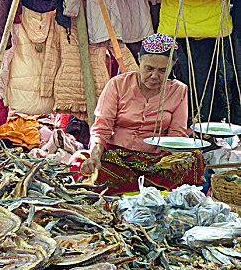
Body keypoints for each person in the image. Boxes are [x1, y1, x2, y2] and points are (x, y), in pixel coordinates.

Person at [70, 33, 205, 195]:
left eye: (162, 70)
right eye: (149, 68)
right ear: (139, 60)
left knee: (195, 160)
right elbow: (101, 128)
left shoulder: (179, 90)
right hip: (117, 158)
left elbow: (177, 133)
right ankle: (146, 186)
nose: (155, 76)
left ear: (172, 66)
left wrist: (175, 158)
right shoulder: (118, 84)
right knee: (80, 161)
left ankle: (133, 185)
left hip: (156, 161)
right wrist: (95, 157)